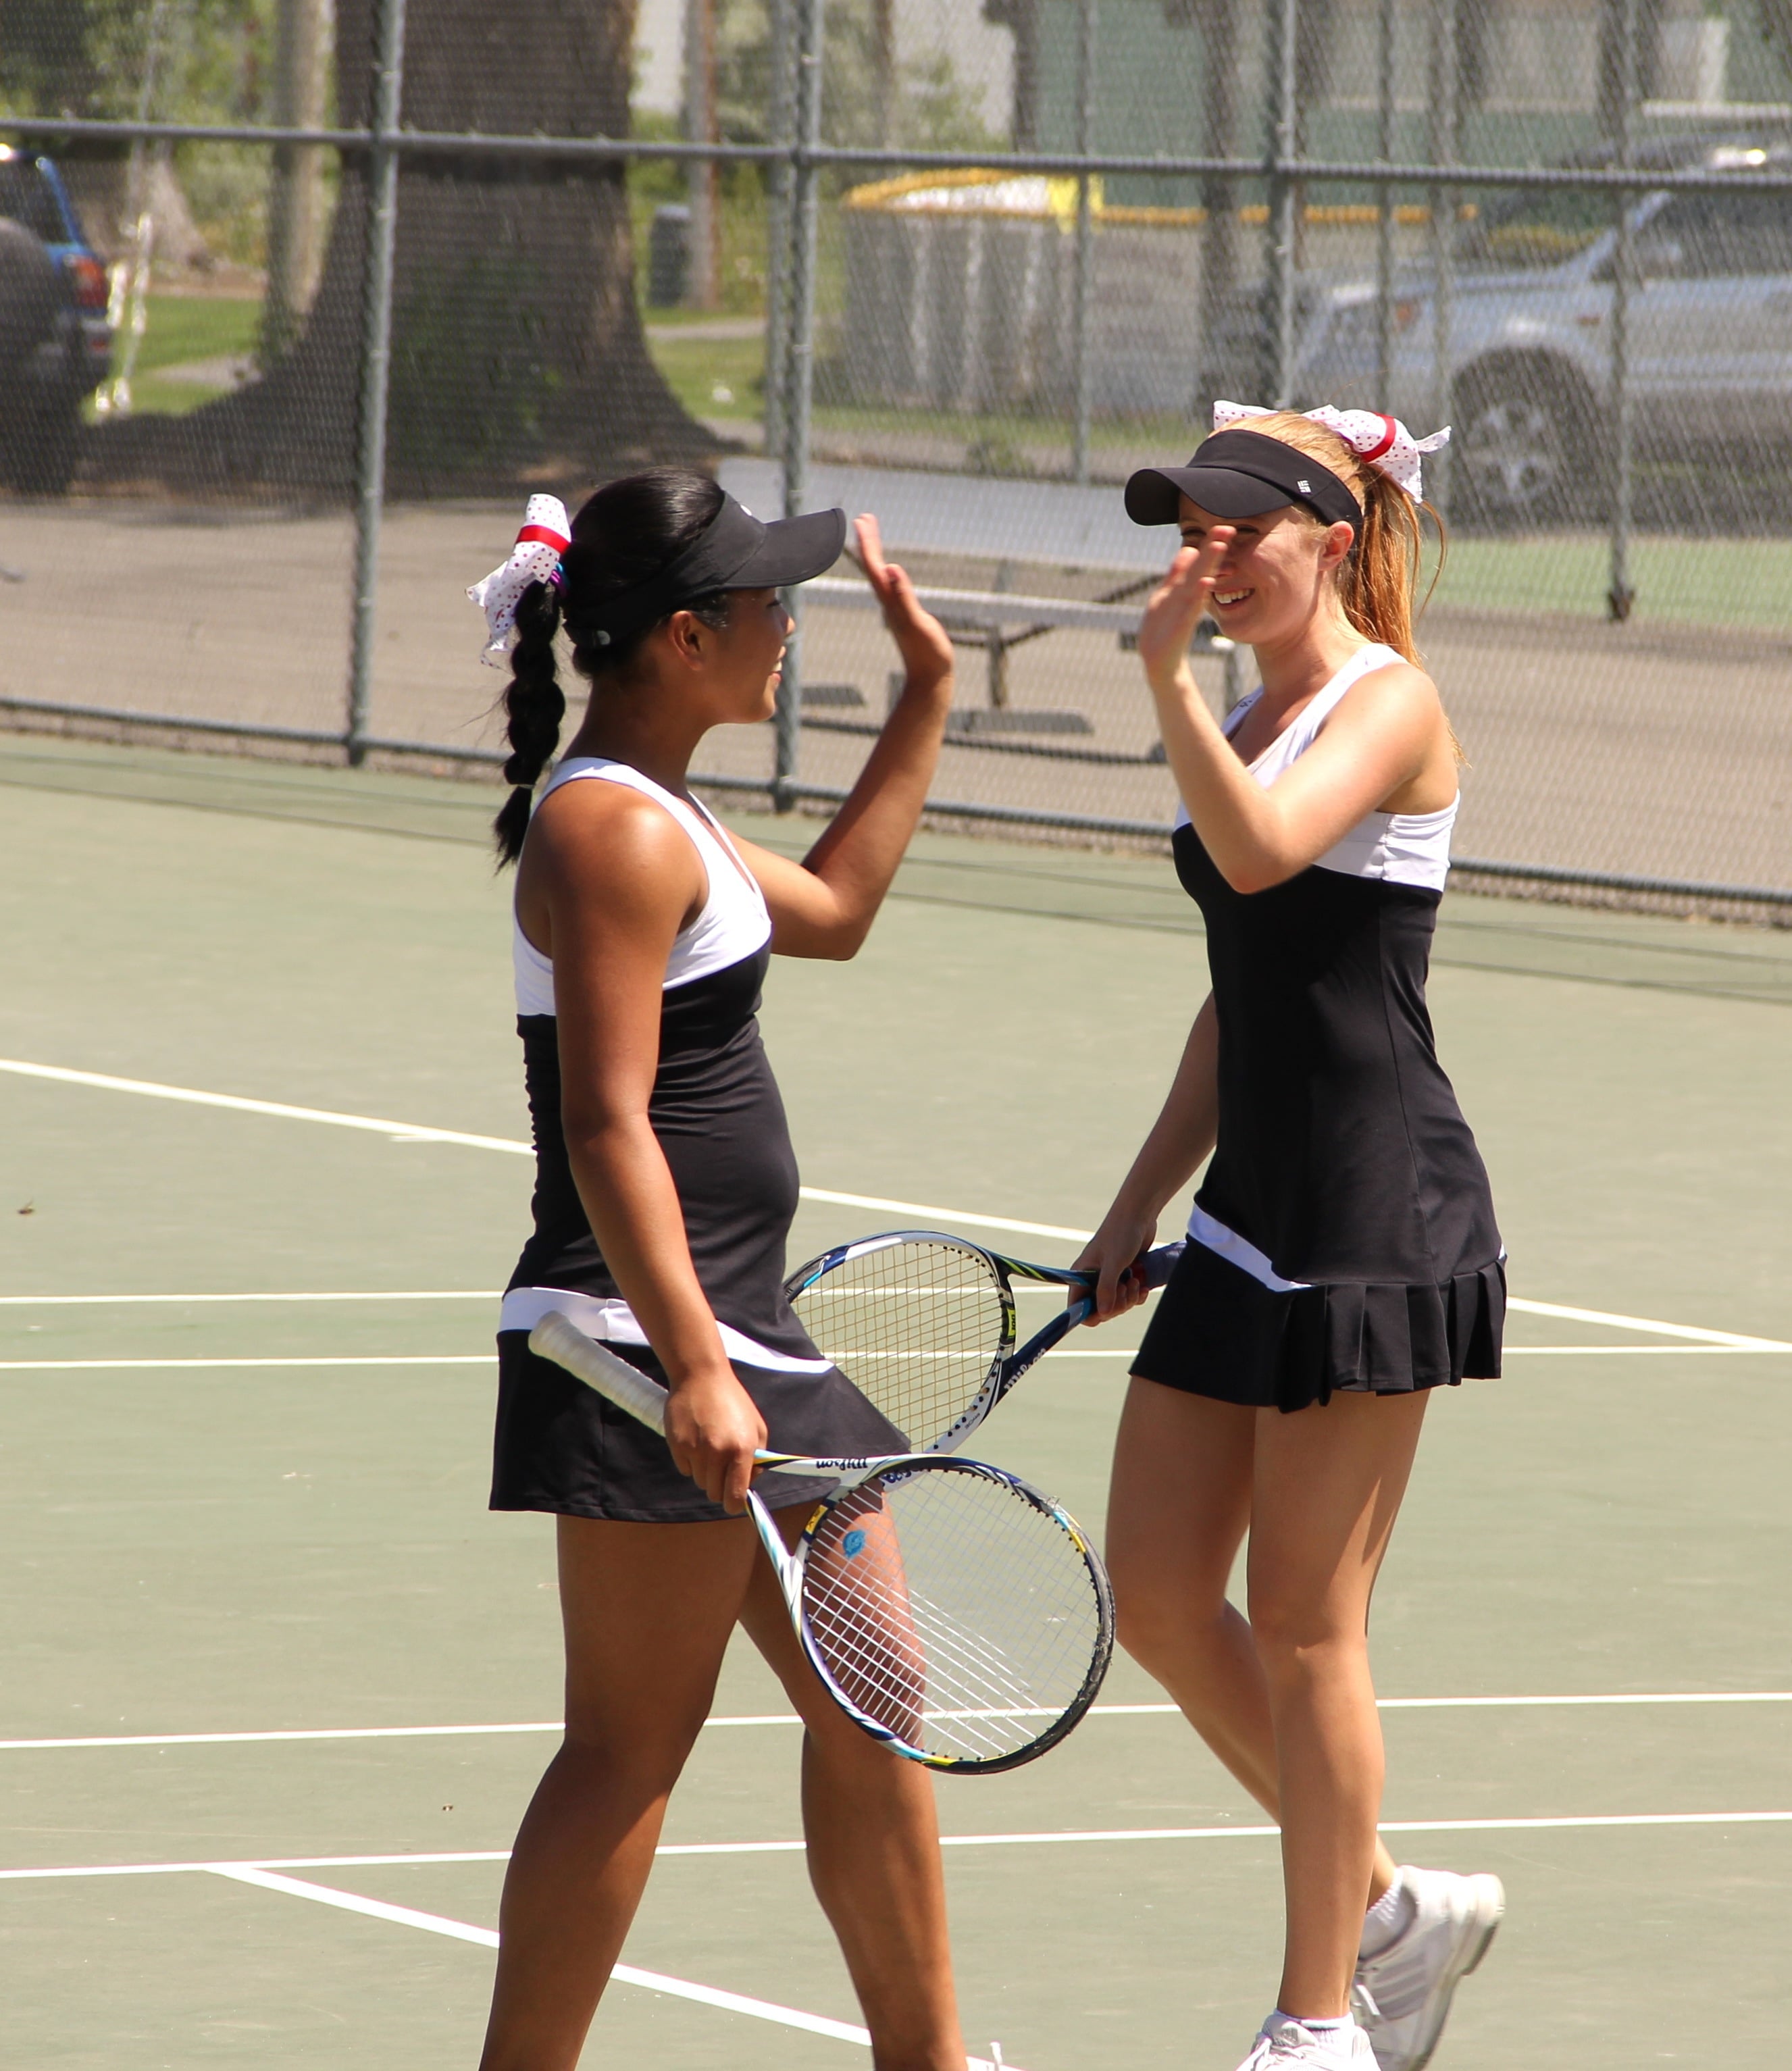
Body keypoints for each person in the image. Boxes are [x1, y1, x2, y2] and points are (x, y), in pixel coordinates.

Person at [466, 469, 964, 2071]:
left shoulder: (666, 809)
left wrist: (929, 698)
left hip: (749, 1331)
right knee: (628, 1750)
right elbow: (610, 1126)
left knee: (872, 1702)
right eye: (766, 605)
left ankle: (930, 2057)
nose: (785, 628)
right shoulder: (607, 827)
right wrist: (689, 1362)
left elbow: (839, 909)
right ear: (686, 637)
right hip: (638, 1336)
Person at [1076, 406, 1506, 2071]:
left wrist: (1163, 682)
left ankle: (1318, 2018)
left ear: (1332, 538)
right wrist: (1137, 1204)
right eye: (1186, 528)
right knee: (1166, 1601)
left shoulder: (1387, 704)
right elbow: (1234, 997)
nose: (1207, 557)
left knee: (1313, 1625)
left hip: (1370, 1211)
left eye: (1238, 528)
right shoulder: (1252, 709)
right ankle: (1395, 1910)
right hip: (1249, 1210)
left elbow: (1258, 864)